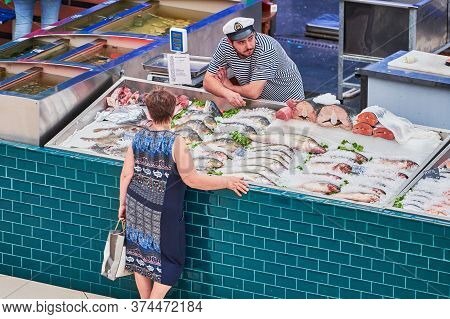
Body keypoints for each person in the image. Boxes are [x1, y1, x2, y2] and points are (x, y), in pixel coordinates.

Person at [118, 88, 248, 299]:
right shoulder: (176, 142)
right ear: (174, 112)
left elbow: (126, 174)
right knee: (172, 263)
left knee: (140, 255)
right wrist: (226, 181)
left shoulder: (138, 137)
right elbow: (192, 179)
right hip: (163, 212)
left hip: (136, 204)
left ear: (149, 113)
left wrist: (122, 204)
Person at [203, 17, 305, 108]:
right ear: (230, 42)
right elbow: (207, 81)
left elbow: (253, 92)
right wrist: (227, 93)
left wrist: (230, 87)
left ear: (254, 33)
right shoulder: (225, 46)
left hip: (288, 100)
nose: (249, 46)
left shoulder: (266, 48)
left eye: (251, 38)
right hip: (262, 102)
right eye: (241, 42)